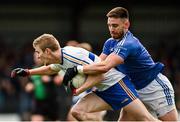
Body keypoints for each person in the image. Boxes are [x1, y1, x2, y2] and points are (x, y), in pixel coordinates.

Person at [63, 7, 178, 121]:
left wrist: (76, 69)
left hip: (154, 88)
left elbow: (104, 67)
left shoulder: (129, 43)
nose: (111, 29)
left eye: (115, 25)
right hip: (133, 89)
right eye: (109, 25)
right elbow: (96, 63)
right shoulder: (109, 43)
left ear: (126, 24)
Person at [11, 34, 158, 121]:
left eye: (38, 52)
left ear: (47, 51)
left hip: (117, 86)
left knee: (146, 119)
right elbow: (50, 69)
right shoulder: (61, 58)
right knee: (77, 112)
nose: (37, 56)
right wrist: (28, 72)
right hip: (103, 91)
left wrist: (78, 90)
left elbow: (100, 76)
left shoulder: (71, 56)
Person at [25, 52, 60, 121]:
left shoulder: (50, 67)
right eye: (34, 57)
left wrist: (50, 79)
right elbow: (29, 84)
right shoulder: (32, 69)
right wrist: (29, 86)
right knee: (35, 119)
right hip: (38, 101)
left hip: (51, 100)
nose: (36, 59)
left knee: (55, 119)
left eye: (38, 57)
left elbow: (59, 80)